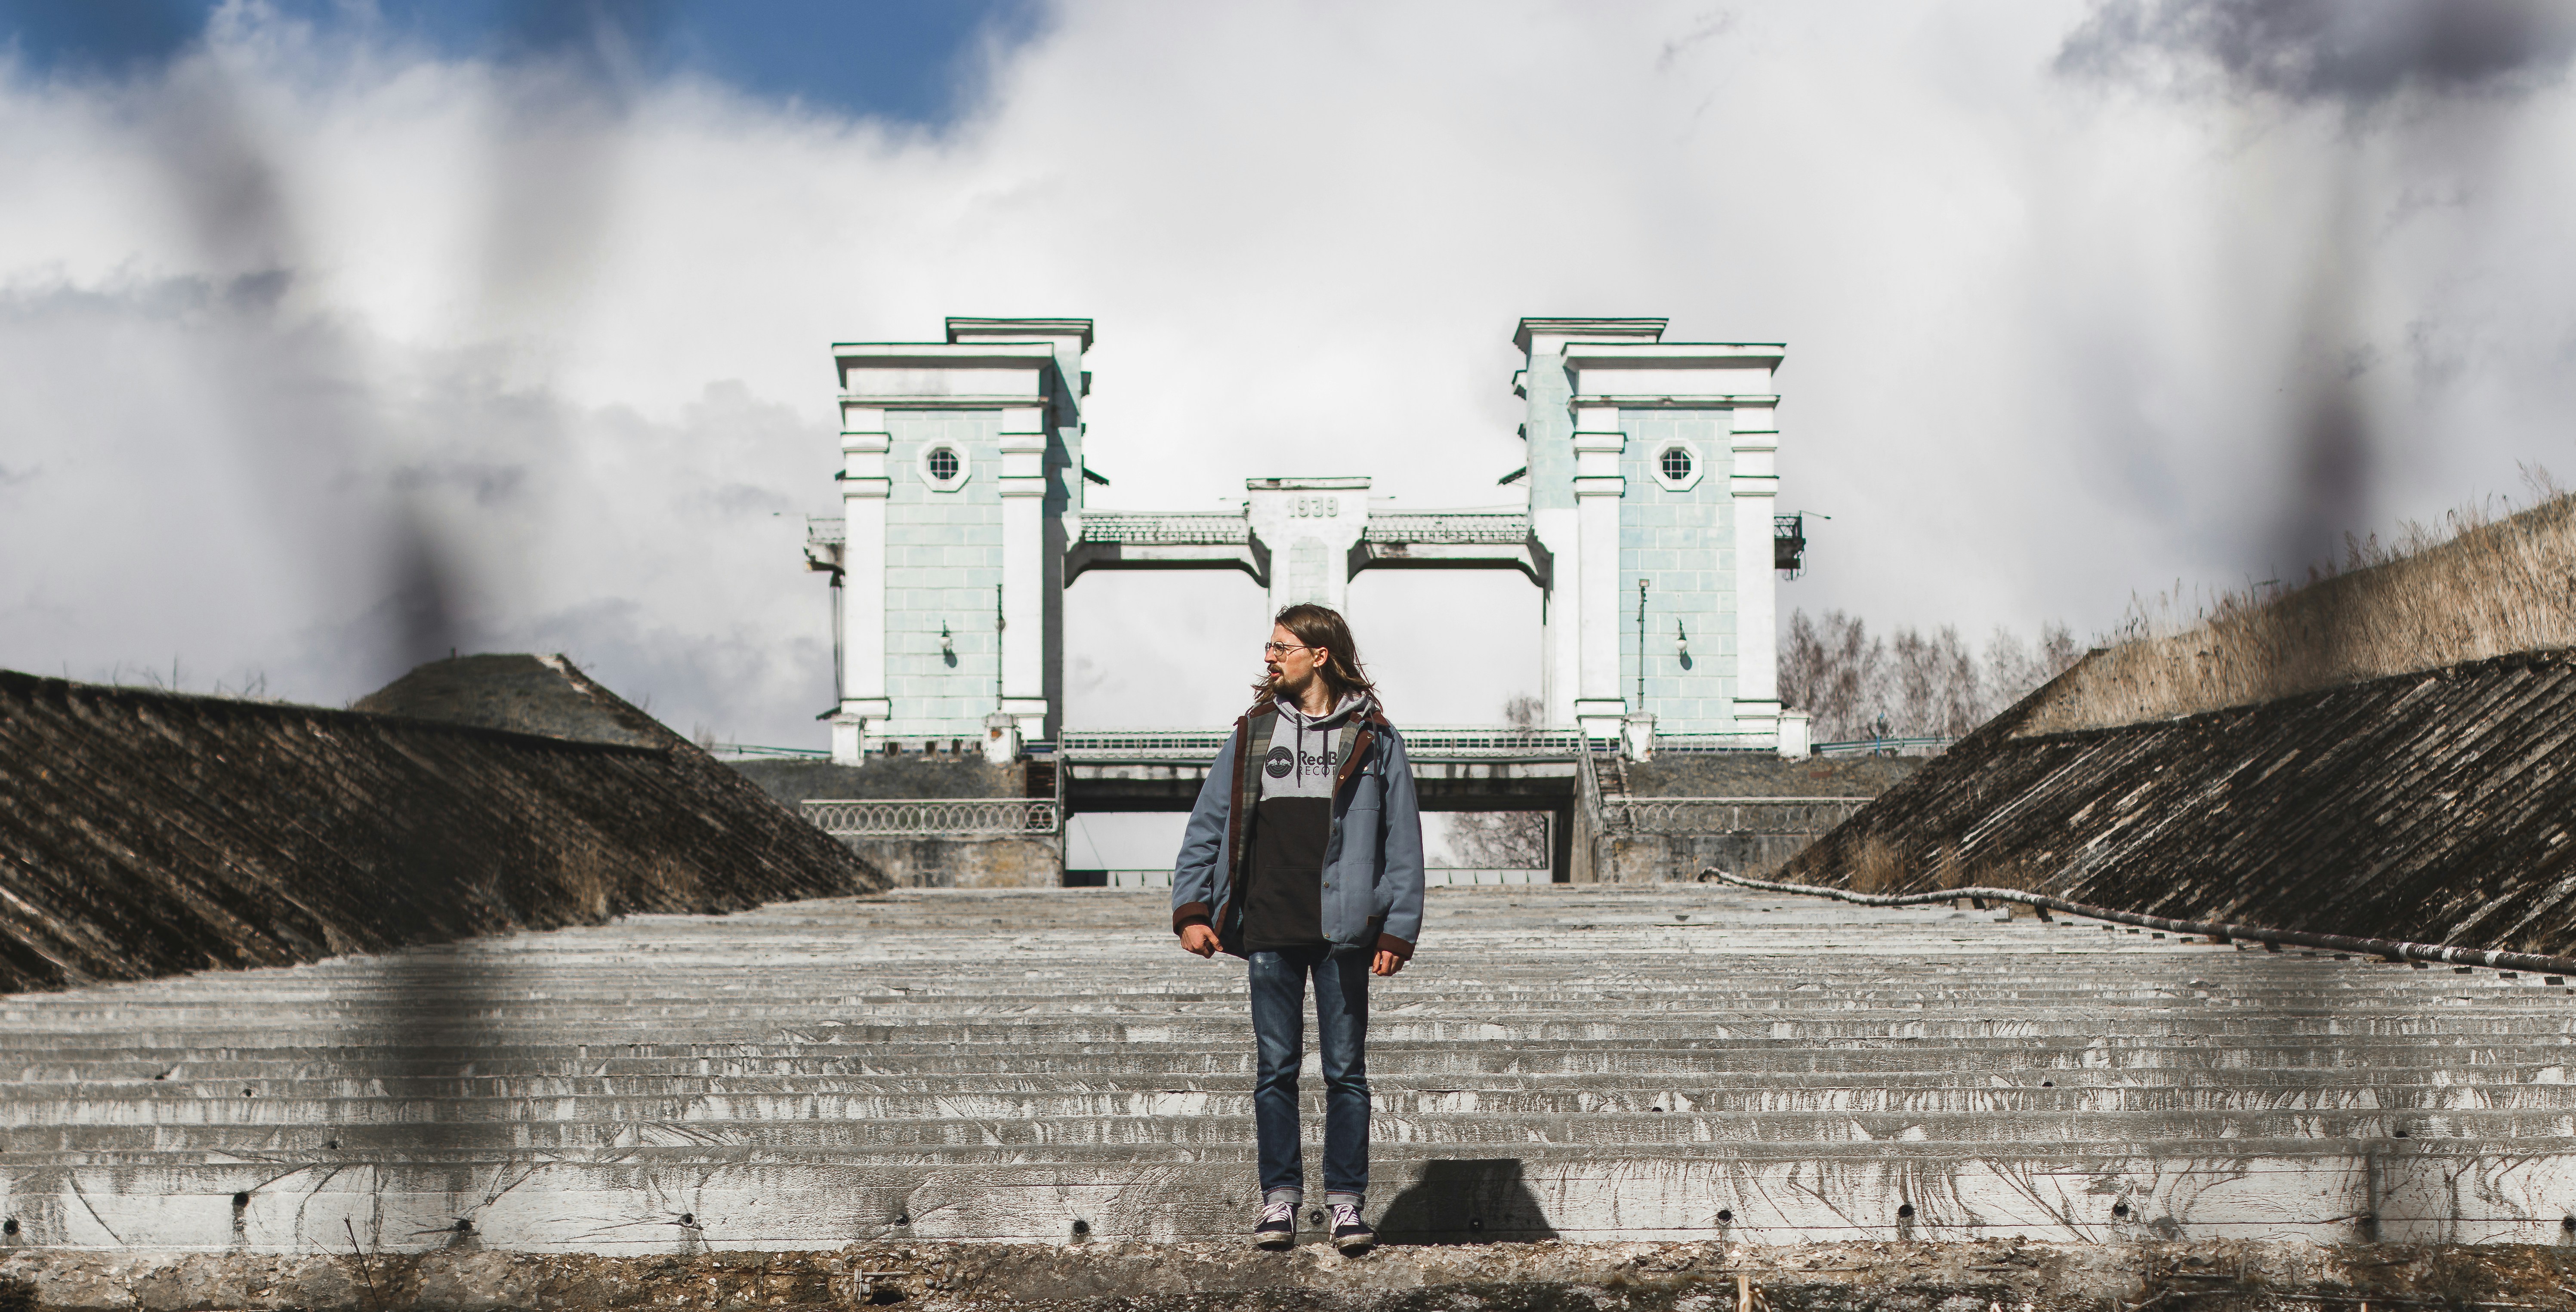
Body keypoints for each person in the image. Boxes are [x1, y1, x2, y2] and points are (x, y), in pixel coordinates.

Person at [1170, 603, 1425, 1256]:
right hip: (1269, 924)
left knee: (1346, 1073)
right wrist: (1192, 909)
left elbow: (1403, 840)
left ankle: (1346, 1205)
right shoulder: (1253, 732)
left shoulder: (1377, 738)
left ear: (1320, 654)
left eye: (1281, 646)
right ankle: (1279, 1199)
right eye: (1270, 646)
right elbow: (1207, 825)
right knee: (1275, 1070)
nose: (1269, 657)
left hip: (1346, 930)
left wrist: (1398, 928)